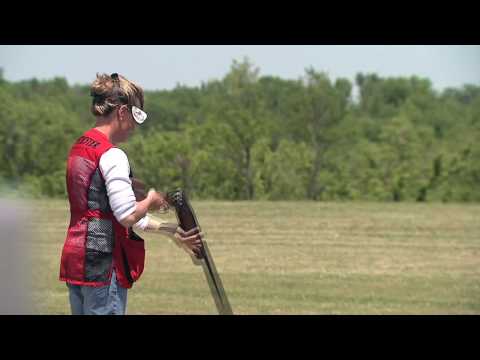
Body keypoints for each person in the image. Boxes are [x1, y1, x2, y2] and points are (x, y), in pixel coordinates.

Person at [59, 73, 202, 315]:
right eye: (135, 117)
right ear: (122, 112)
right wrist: (152, 200)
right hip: (104, 267)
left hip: (79, 262)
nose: (135, 127)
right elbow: (126, 215)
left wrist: (171, 232)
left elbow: (111, 214)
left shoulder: (81, 146)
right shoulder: (113, 155)